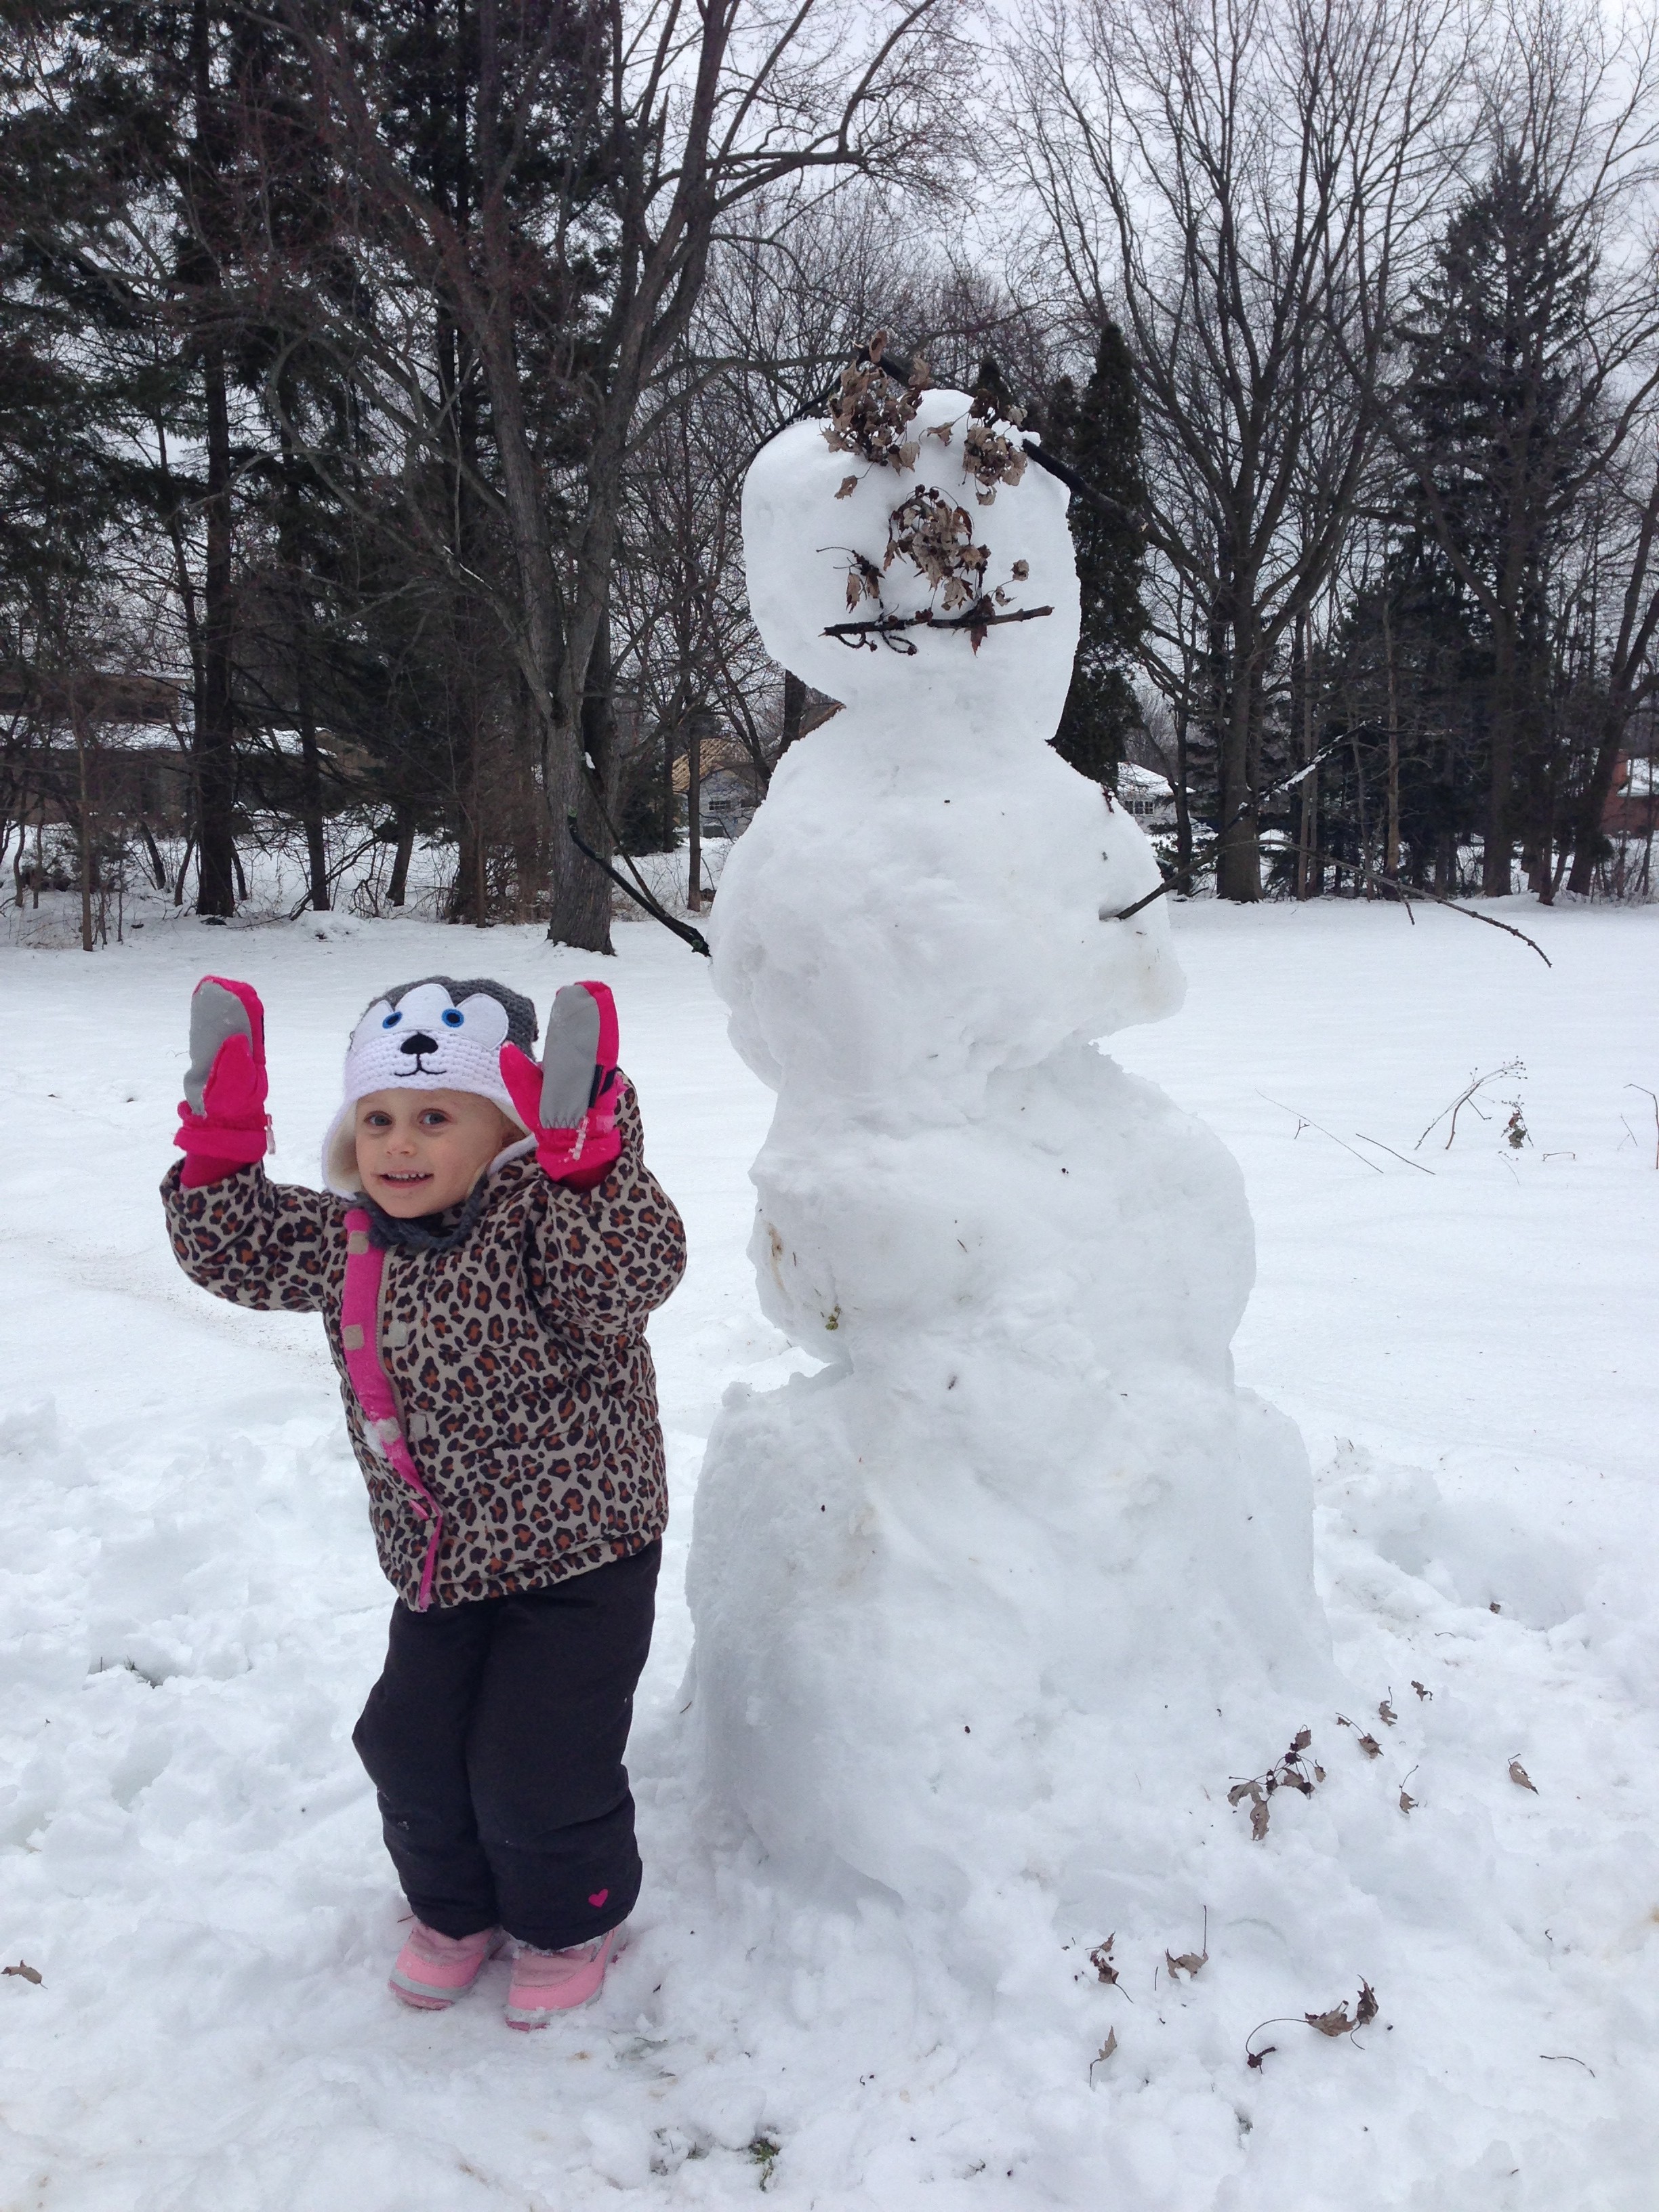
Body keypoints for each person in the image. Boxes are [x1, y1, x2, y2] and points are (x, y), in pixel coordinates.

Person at [161, 971, 685, 2028]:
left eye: (435, 1117)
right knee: (408, 1743)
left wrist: (590, 1170)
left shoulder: (546, 1226)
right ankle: (454, 1911)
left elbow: (628, 1275)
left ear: (502, 1128)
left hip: (584, 1551)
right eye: (379, 1117)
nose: (398, 1144)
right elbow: (235, 1248)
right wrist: (222, 1145)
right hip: (442, 1560)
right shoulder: (352, 1237)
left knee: (534, 1762)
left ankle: (568, 1918)